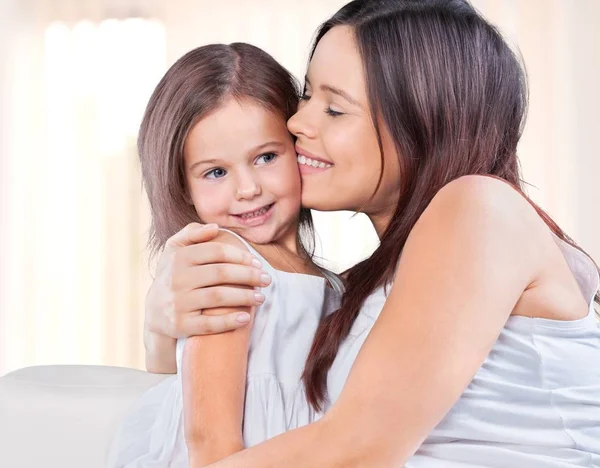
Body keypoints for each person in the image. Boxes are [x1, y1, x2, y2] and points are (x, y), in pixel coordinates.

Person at [144, 0, 600, 466]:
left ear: (423, 121)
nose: (297, 123)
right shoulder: (371, 290)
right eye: (306, 94)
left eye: (335, 109)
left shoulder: (479, 208)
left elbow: (356, 450)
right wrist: (160, 330)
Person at [107, 43, 344, 467]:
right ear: (185, 188)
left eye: (266, 157)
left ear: (300, 151)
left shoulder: (333, 285)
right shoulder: (225, 264)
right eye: (216, 172)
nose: (247, 188)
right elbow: (209, 442)